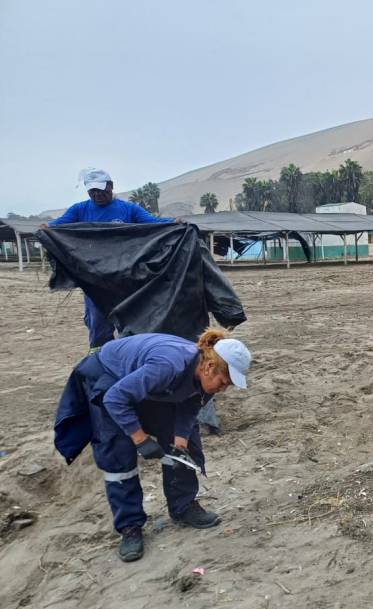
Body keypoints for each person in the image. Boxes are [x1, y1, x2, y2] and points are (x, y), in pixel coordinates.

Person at [54, 327, 251, 562]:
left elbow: (190, 407)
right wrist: (141, 439)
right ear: (209, 367)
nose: (223, 388)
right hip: (109, 378)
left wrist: (180, 443)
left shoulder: (206, 378)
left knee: (188, 447)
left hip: (145, 383)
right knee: (118, 453)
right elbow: (115, 398)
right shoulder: (168, 366)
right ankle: (130, 526)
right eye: (224, 382)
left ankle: (183, 506)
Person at [43, 168, 172, 350]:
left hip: (125, 278)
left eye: (101, 190)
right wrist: (46, 229)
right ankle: (98, 358)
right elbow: (56, 227)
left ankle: (128, 354)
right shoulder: (79, 210)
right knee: (98, 324)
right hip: (94, 279)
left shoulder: (128, 210)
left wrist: (174, 223)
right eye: (92, 191)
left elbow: (152, 222)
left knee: (130, 321)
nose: (97, 195)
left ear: (110, 186)